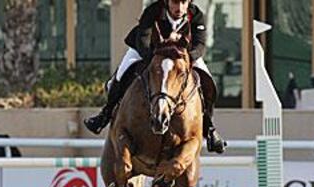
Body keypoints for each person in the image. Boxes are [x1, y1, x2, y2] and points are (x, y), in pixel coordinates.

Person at [84, 0, 226, 153]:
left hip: (182, 57)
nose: (179, 8)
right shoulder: (153, 11)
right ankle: (105, 114)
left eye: (183, 2)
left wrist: (186, 58)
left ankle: (210, 128)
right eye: (175, 2)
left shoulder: (196, 16)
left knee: (208, 80)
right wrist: (155, 58)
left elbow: (200, 45)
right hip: (149, 52)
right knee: (122, 73)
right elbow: (143, 39)